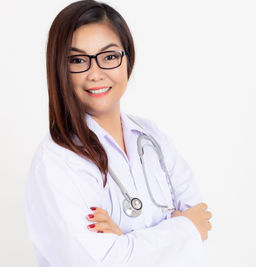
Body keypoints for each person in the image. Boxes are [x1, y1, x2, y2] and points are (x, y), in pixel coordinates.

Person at [23, 1, 212, 266]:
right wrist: (181, 230)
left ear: (127, 59)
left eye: (109, 56)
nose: (95, 73)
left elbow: (201, 220)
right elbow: (97, 262)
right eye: (78, 60)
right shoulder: (57, 162)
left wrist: (124, 240)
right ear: (60, 70)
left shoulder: (151, 136)